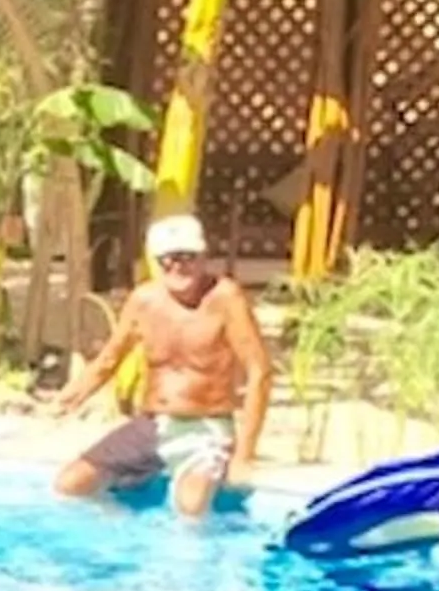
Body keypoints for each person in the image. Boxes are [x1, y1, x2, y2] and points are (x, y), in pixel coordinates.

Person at [49, 213, 273, 517]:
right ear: (156, 262)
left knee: (191, 509)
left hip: (205, 427)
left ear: (203, 256)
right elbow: (109, 359)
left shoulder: (225, 298)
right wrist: (71, 396)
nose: (178, 266)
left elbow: (259, 371)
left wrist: (244, 454)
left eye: (187, 257)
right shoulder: (144, 300)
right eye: (168, 259)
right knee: (69, 485)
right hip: (152, 426)